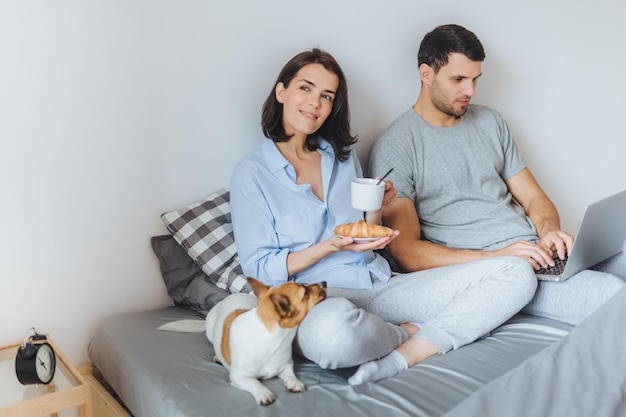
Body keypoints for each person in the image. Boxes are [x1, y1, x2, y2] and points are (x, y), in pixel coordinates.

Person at [230, 48, 538, 385]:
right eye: (305, 88)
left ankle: (410, 351)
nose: (315, 103)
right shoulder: (253, 173)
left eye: (326, 96)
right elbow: (259, 267)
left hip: (379, 284)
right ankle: (403, 332)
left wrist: (379, 205)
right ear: (281, 91)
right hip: (317, 296)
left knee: (516, 272)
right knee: (334, 339)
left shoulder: (340, 157)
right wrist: (329, 247)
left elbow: (365, 230)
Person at [369, 24, 625, 327]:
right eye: (458, 79)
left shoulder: (490, 121)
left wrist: (548, 232)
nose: (470, 91)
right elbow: (406, 251)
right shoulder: (396, 146)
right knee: (613, 296)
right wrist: (500, 258)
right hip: (499, 272)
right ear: (426, 74)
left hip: (535, 252)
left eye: (475, 79)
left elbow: (533, 198)